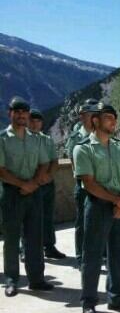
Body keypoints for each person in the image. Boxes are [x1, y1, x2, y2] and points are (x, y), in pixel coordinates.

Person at [73, 103, 120, 313]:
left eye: (114, 118)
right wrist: (119, 201)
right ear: (95, 121)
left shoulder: (119, 147)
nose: (113, 122)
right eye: (108, 117)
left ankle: (117, 297)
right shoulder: (83, 148)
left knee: (119, 254)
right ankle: (89, 301)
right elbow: (89, 184)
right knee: (92, 255)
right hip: (98, 206)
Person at [0, 97, 53, 297]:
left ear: (28, 115)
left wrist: (35, 183)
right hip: (11, 193)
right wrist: (23, 185)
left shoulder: (35, 139)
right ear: (10, 114)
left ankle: (37, 279)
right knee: (12, 238)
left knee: (35, 237)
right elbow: (1, 170)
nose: (21, 115)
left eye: (24, 112)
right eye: (17, 111)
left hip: (34, 192)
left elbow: (44, 163)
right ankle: (11, 280)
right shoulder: (2, 139)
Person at [64, 99, 99, 267]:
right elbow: (73, 161)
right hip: (84, 184)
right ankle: (81, 256)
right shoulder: (76, 137)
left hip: (102, 184)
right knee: (82, 223)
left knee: (101, 221)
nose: (92, 118)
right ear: (82, 117)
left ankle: (101, 253)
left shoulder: (101, 134)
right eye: (88, 115)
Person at [28, 109, 65, 259]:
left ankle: (49, 246)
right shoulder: (23, 139)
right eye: (32, 121)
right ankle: (25, 249)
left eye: (38, 121)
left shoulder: (47, 140)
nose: (35, 124)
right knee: (28, 218)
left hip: (47, 184)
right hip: (30, 183)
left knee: (47, 216)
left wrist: (49, 176)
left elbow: (54, 161)